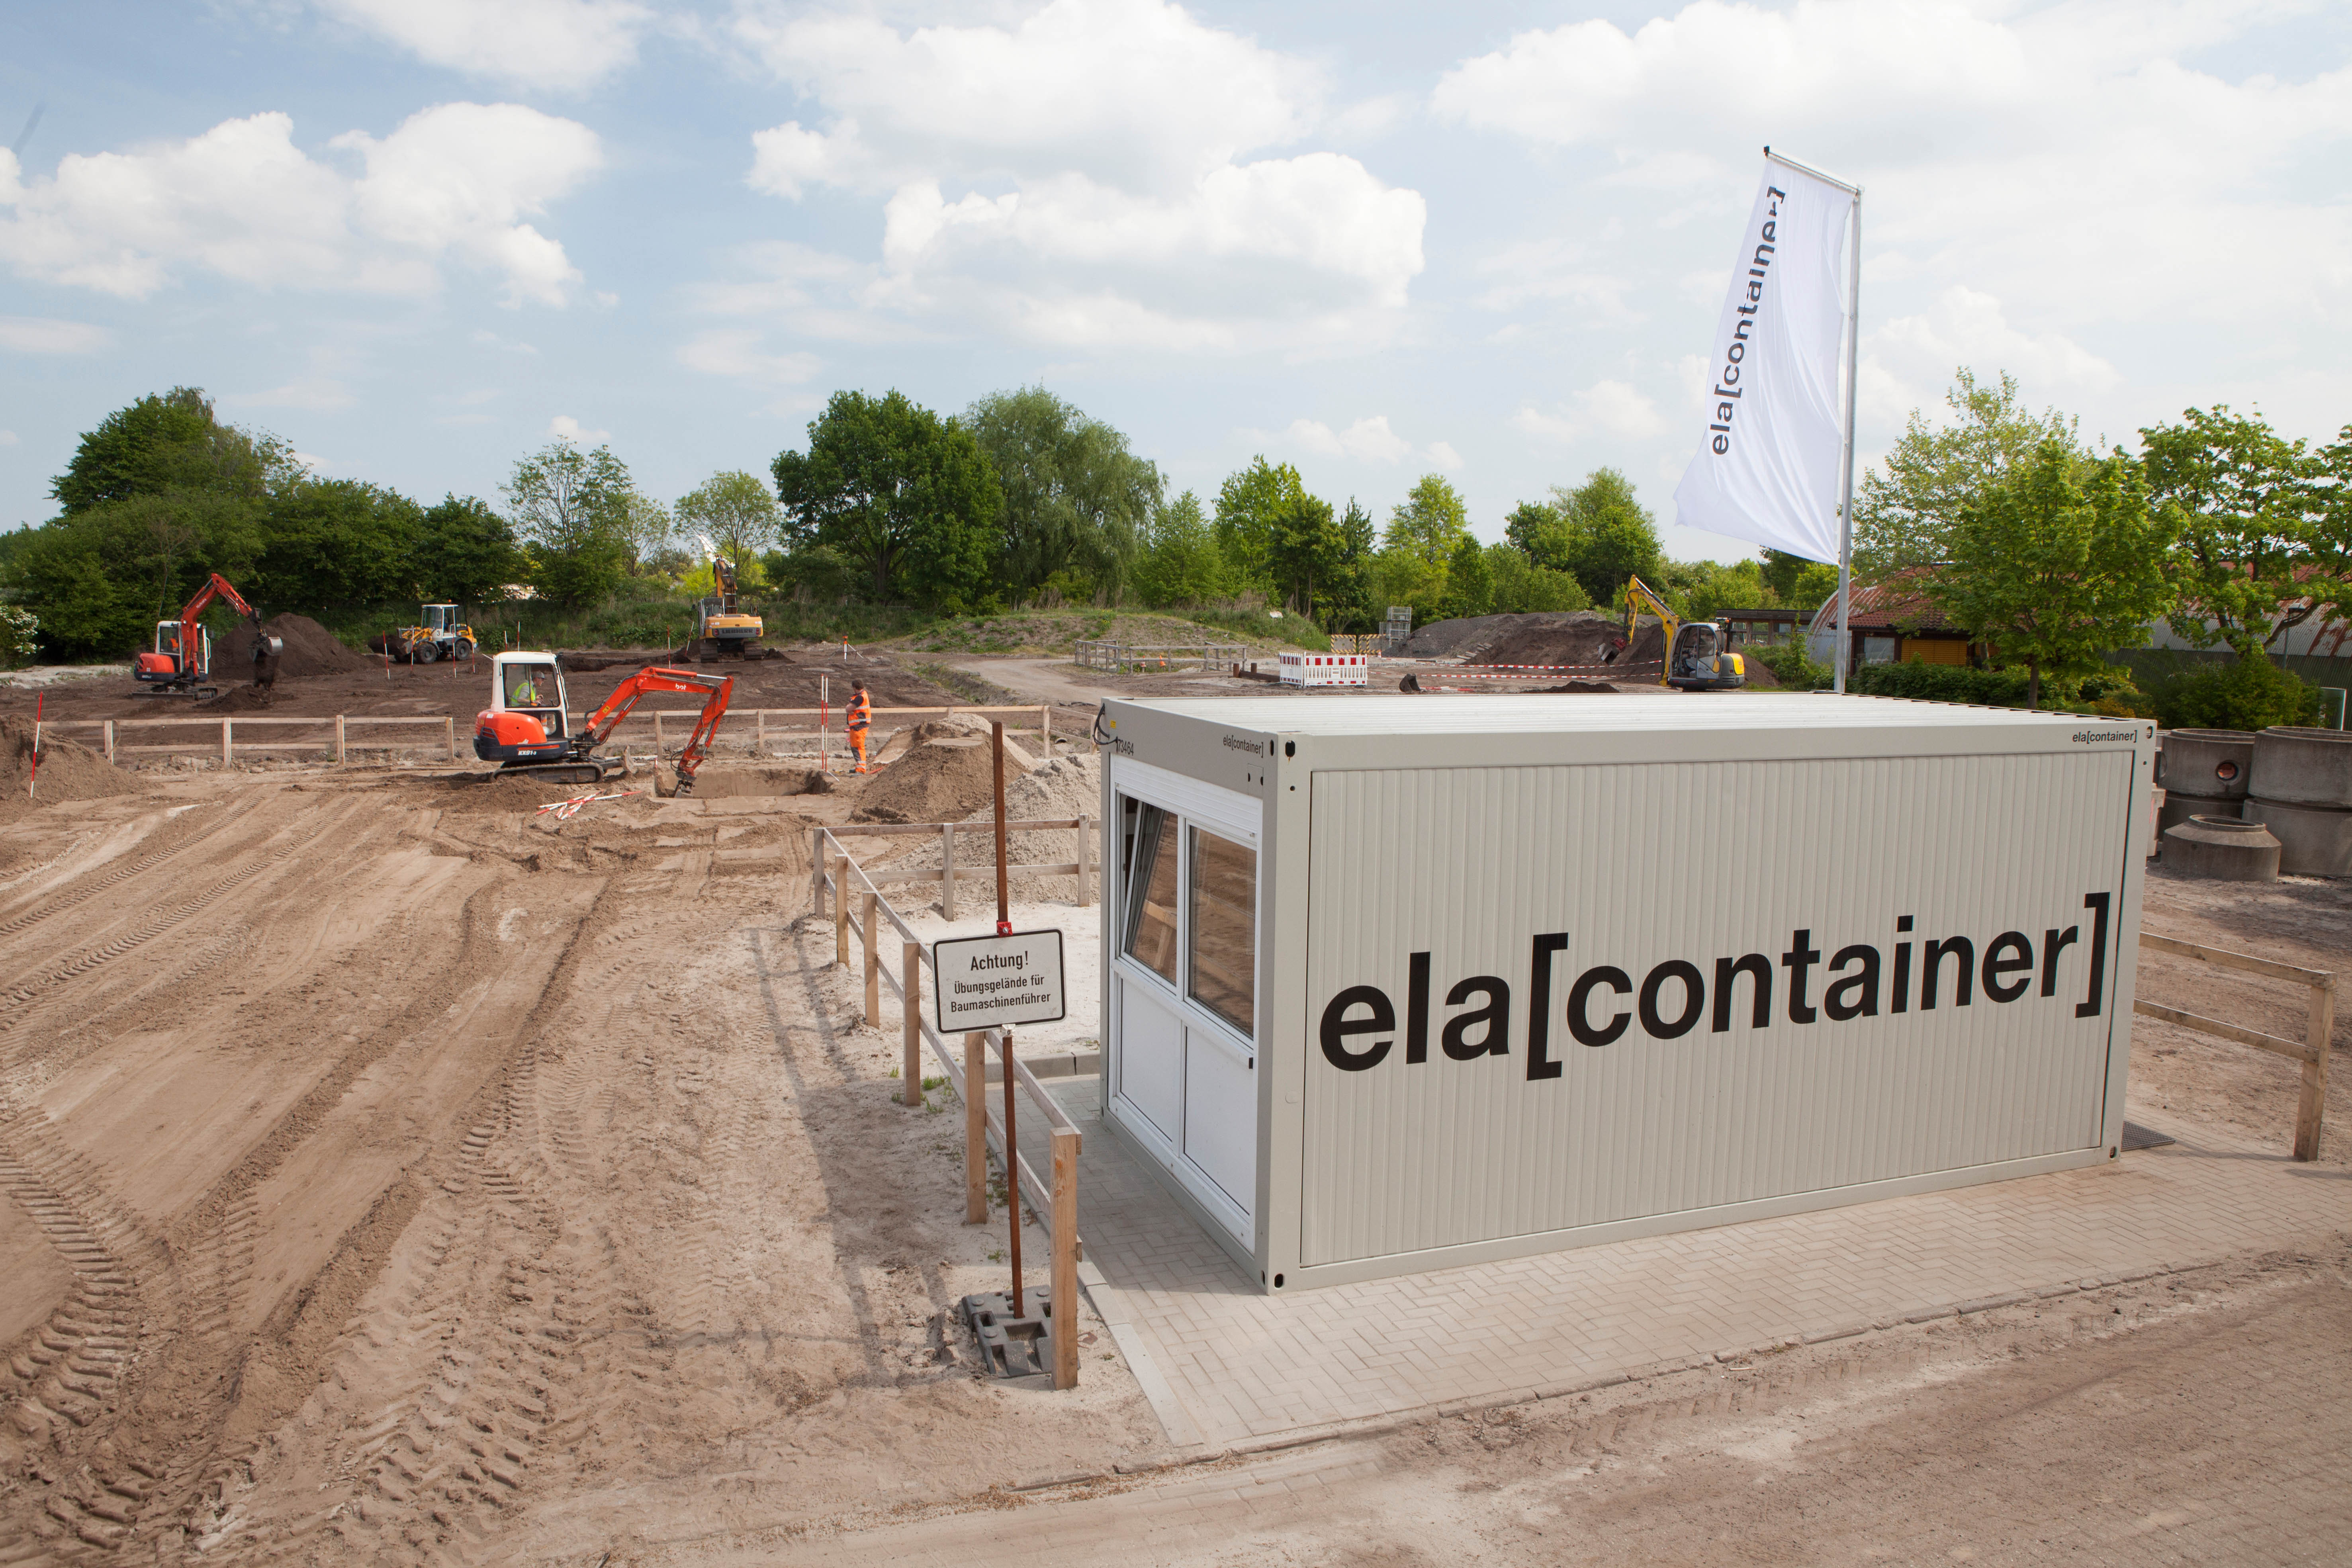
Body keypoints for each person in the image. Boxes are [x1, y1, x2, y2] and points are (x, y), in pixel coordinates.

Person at [847, 681, 873, 773]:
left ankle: (861, 769)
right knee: (855, 747)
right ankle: (859, 767)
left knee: (858, 747)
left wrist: (848, 709)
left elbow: (849, 708)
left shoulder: (860, 698)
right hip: (858, 726)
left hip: (859, 726)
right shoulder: (863, 695)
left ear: (855, 687)